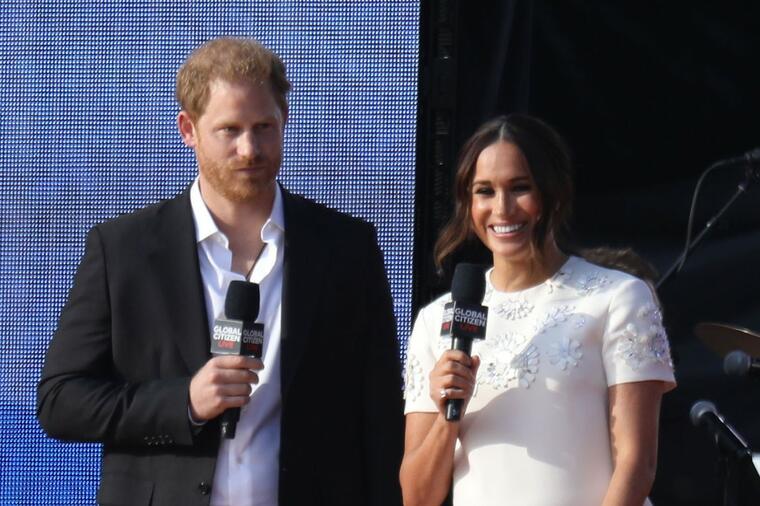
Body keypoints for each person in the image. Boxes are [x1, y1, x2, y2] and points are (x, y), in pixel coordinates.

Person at [37, 37, 404, 506]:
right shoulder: (124, 251)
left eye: (264, 127)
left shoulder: (346, 249)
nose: (250, 149)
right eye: (229, 130)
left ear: (285, 120)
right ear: (188, 129)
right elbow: (60, 401)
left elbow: (378, 416)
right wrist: (184, 402)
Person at [400, 114, 676, 506]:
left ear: (553, 193)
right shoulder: (436, 321)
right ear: (468, 203)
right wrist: (449, 415)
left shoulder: (617, 298)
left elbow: (637, 464)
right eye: (485, 191)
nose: (503, 208)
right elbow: (418, 496)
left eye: (520, 188)